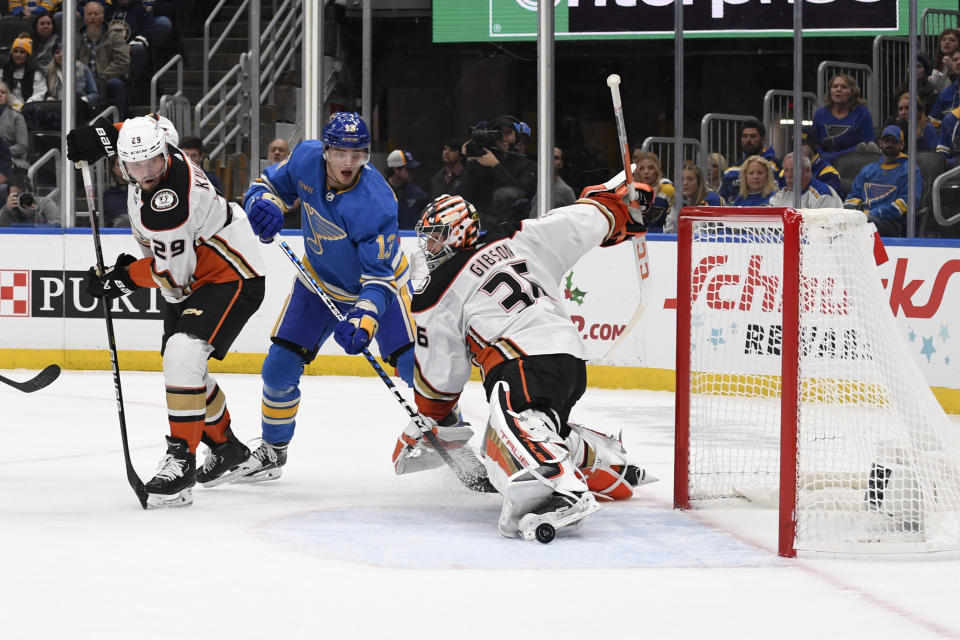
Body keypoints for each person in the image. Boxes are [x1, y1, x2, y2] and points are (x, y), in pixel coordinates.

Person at [391, 182, 656, 541]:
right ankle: (612, 467)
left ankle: (558, 490)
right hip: (567, 356)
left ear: (458, 233)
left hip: (520, 360)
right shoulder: (516, 238)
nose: (429, 246)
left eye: (436, 236)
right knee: (542, 424)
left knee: (511, 428)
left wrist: (431, 414)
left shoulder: (438, 290)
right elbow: (580, 220)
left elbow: (442, 374)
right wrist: (623, 208)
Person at [66, 114, 266, 507]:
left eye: (152, 163)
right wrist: (103, 134)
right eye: (136, 165)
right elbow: (151, 121)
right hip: (199, 272)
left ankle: (182, 461)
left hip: (231, 274)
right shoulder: (161, 141)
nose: (146, 173)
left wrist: (122, 278)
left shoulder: (168, 208)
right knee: (186, 369)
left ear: (164, 155)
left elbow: (173, 278)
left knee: (182, 355)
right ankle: (227, 449)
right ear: (121, 164)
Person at [238, 111, 416, 482]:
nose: (349, 163)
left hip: (379, 288)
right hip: (317, 283)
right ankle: (273, 450)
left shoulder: (377, 202)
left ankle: (451, 436)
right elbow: (265, 184)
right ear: (326, 151)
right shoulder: (304, 158)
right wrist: (263, 204)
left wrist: (364, 319)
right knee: (278, 369)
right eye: (340, 153)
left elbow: (379, 280)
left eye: (358, 155)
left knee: (416, 367)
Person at [845, 124, 923, 237]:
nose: (890, 144)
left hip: (892, 224)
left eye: (894, 141)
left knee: (866, 223)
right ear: (880, 143)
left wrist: (871, 214)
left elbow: (907, 202)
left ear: (902, 145)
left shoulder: (911, 170)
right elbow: (852, 198)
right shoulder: (867, 170)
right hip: (863, 220)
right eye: (887, 141)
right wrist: (856, 214)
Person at [459, 116, 537, 228]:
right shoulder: (480, 163)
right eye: (498, 133)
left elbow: (522, 195)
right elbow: (464, 196)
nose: (503, 138)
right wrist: (470, 162)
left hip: (512, 229)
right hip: (481, 226)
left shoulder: (528, 166)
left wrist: (496, 166)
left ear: (517, 137)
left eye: (508, 133)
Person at [77, 0, 130, 120]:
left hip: (107, 79)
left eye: (96, 14)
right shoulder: (76, 37)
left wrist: (102, 77)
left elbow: (122, 62)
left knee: (116, 85)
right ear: (84, 17)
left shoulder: (114, 36)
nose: (92, 17)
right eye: (89, 14)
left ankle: (118, 124)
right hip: (82, 81)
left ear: (103, 16)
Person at [813, 73, 876, 161]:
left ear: (852, 92)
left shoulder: (862, 113)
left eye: (844, 87)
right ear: (830, 91)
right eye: (835, 86)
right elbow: (813, 144)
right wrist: (822, 157)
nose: (838, 89)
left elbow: (866, 145)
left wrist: (835, 157)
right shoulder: (820, 113)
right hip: (823, 162)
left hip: (852, 163)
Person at [718, 119, 779, 204]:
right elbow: (722, 199)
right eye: (745, 136)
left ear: (763, 140)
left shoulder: (776, 167)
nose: (748, 140)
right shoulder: (730, 171)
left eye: (753, 136)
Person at [769, 152, 843, 209]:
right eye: (786, 170)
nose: (789, 175)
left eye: (794, 170)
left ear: (807, 171)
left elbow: (822, 226)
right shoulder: (783, 194)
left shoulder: (822, 195)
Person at [664, 163, 721, 233]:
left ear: (699, 183)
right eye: (681, 179)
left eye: (690, 179)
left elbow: (698, 233)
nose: (685, 183)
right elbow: (668, 230)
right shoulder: (675, 200)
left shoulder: (711, 199)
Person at [386, 148, 429, 230]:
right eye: (409, 169)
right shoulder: (378, 192)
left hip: (411, 239)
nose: (413, 172)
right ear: (396, 169)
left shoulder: (418, 195)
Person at [632, 151, 674, 232]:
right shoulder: (631, 191)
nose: (646, 172)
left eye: (651, 168)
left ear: (657, 170)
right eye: (641, 169)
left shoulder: (666, 188)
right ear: (636, 172)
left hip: (663, 237)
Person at [2, 35, 47, 109]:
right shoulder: (4, 71)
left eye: (22, 52)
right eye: (15, 51)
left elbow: (39, 93)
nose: (18, 55)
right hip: (7, 108)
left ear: (28, 55)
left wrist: (26, 107)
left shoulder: (36, 73)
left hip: (29, 109)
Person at [530, 146, 576, 213]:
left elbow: (574, 217)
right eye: (548, 156)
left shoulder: (566, 191)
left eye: (555, 158)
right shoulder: (534, 184)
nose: (551, 160)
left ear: (561, 164)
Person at [0, 83, 30, 171]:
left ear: (7, 96)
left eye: (3, 92)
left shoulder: (17, 117)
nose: (0, 94)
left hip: (11, 159)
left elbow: (22, 146)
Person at [929, 28, 960, 92]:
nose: (947, 42)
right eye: (943, 40)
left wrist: (952, 71)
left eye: (952, 40)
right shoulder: (934, 62)